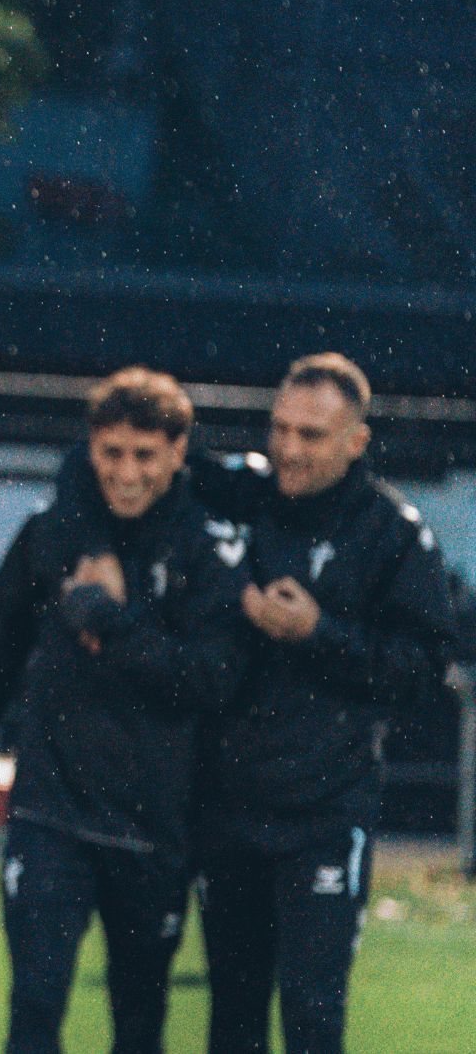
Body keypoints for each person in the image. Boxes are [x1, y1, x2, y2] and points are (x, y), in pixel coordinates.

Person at [0, 367, 250, 1054]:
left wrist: (109, 622)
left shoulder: (211, 550)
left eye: (145, 455)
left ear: (177, 452)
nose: (127, 472)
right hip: (52, 813)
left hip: (156, 824)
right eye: (111, 454)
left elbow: (208, 681)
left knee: (139, 1023)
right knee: (36, 1006)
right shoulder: (55, 533)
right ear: (91, 450)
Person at [186, 354, 460, 1054]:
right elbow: (130, 443)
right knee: (234, 1019)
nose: (288, 448)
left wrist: (319, 634)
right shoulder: (242, 493)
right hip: (228, 807)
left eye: (311, 436)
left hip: (325, 813)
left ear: (355, 443)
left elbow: (426, 674)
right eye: (279, 429)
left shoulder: (394, 533)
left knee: (312, 1015)